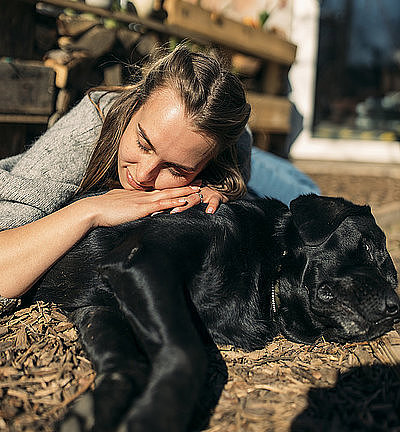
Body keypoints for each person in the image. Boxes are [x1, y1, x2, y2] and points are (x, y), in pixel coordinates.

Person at [0, 45, 319, 309]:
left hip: (241, 150)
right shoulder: (87, 130)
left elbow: (237, 165)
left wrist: (225, 189)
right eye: (142, 142)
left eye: (175, 169)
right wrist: (91, 209)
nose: (142, 174)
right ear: (135, 102)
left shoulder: (235, 148)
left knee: (307, 194)